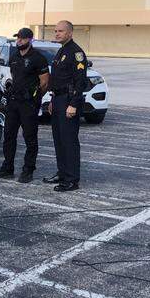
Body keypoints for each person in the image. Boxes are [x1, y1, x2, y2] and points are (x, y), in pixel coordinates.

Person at [0, 28, 49, 183]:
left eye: (22, 39)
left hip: (29, 103)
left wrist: (35, 98)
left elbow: (45, 82)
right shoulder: (15, 57)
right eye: (18, 38)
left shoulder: (38, 58)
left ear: (30, 39)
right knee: (9, 136)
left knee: (30, 137)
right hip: (13, 102)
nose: (19, 41)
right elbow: (15, 77)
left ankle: (28, 170)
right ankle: (7, 168)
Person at [44, 20, 87, 192]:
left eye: (60, 31)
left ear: (70, 32)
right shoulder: (61, 51)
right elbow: (57, 80)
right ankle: (62, 173)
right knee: (59, 140)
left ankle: (71, 180)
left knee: (69, 141)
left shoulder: (76, 53)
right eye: (55, 31)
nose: (57, 33)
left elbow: (80, 81)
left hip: (69, 101)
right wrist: (52, 101)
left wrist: (73, 104)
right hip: (59, 100)